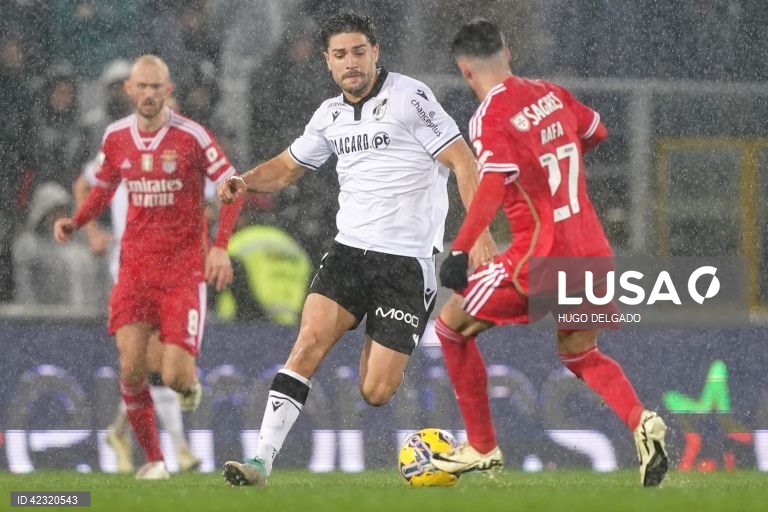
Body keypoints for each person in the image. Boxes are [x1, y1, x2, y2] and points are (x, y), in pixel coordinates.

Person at [217, 11, 496, 486]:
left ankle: (442, 446)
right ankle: (261, 460)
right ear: (327, 62)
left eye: (359, 52)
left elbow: (463, 161)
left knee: (376, 390)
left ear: (376, 53)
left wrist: (481, 233)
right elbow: (287, 167)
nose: (351, 63)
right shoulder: (329, 115)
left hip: (406, 265)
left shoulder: (411, 98)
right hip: (349, 252)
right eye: (341, 55)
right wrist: (244, 181)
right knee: (308, 342)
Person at [429, 19, 669, 487]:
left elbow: (493, 183)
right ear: (508, 52)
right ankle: (642, 421)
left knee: (451, 327)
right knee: (579, 353)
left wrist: (460, 249)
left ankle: (480, 446)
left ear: (464, 70)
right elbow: (597, 133)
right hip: (593, 253)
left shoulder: (490, 117)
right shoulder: (553, 93)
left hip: (538, 257)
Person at [54, 55, 242, 480]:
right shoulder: (116, 137)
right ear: (129, 91)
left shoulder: (192, 137)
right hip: (134, 271)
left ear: (168, 90)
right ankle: (155, 460)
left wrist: (219, 247)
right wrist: (78, 221)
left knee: (174, 375)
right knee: (131, 367)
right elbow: (102, 188)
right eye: (143, 86)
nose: (150, 94)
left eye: (158, 87)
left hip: (182, 273)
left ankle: (188, 385)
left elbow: (233, 186)